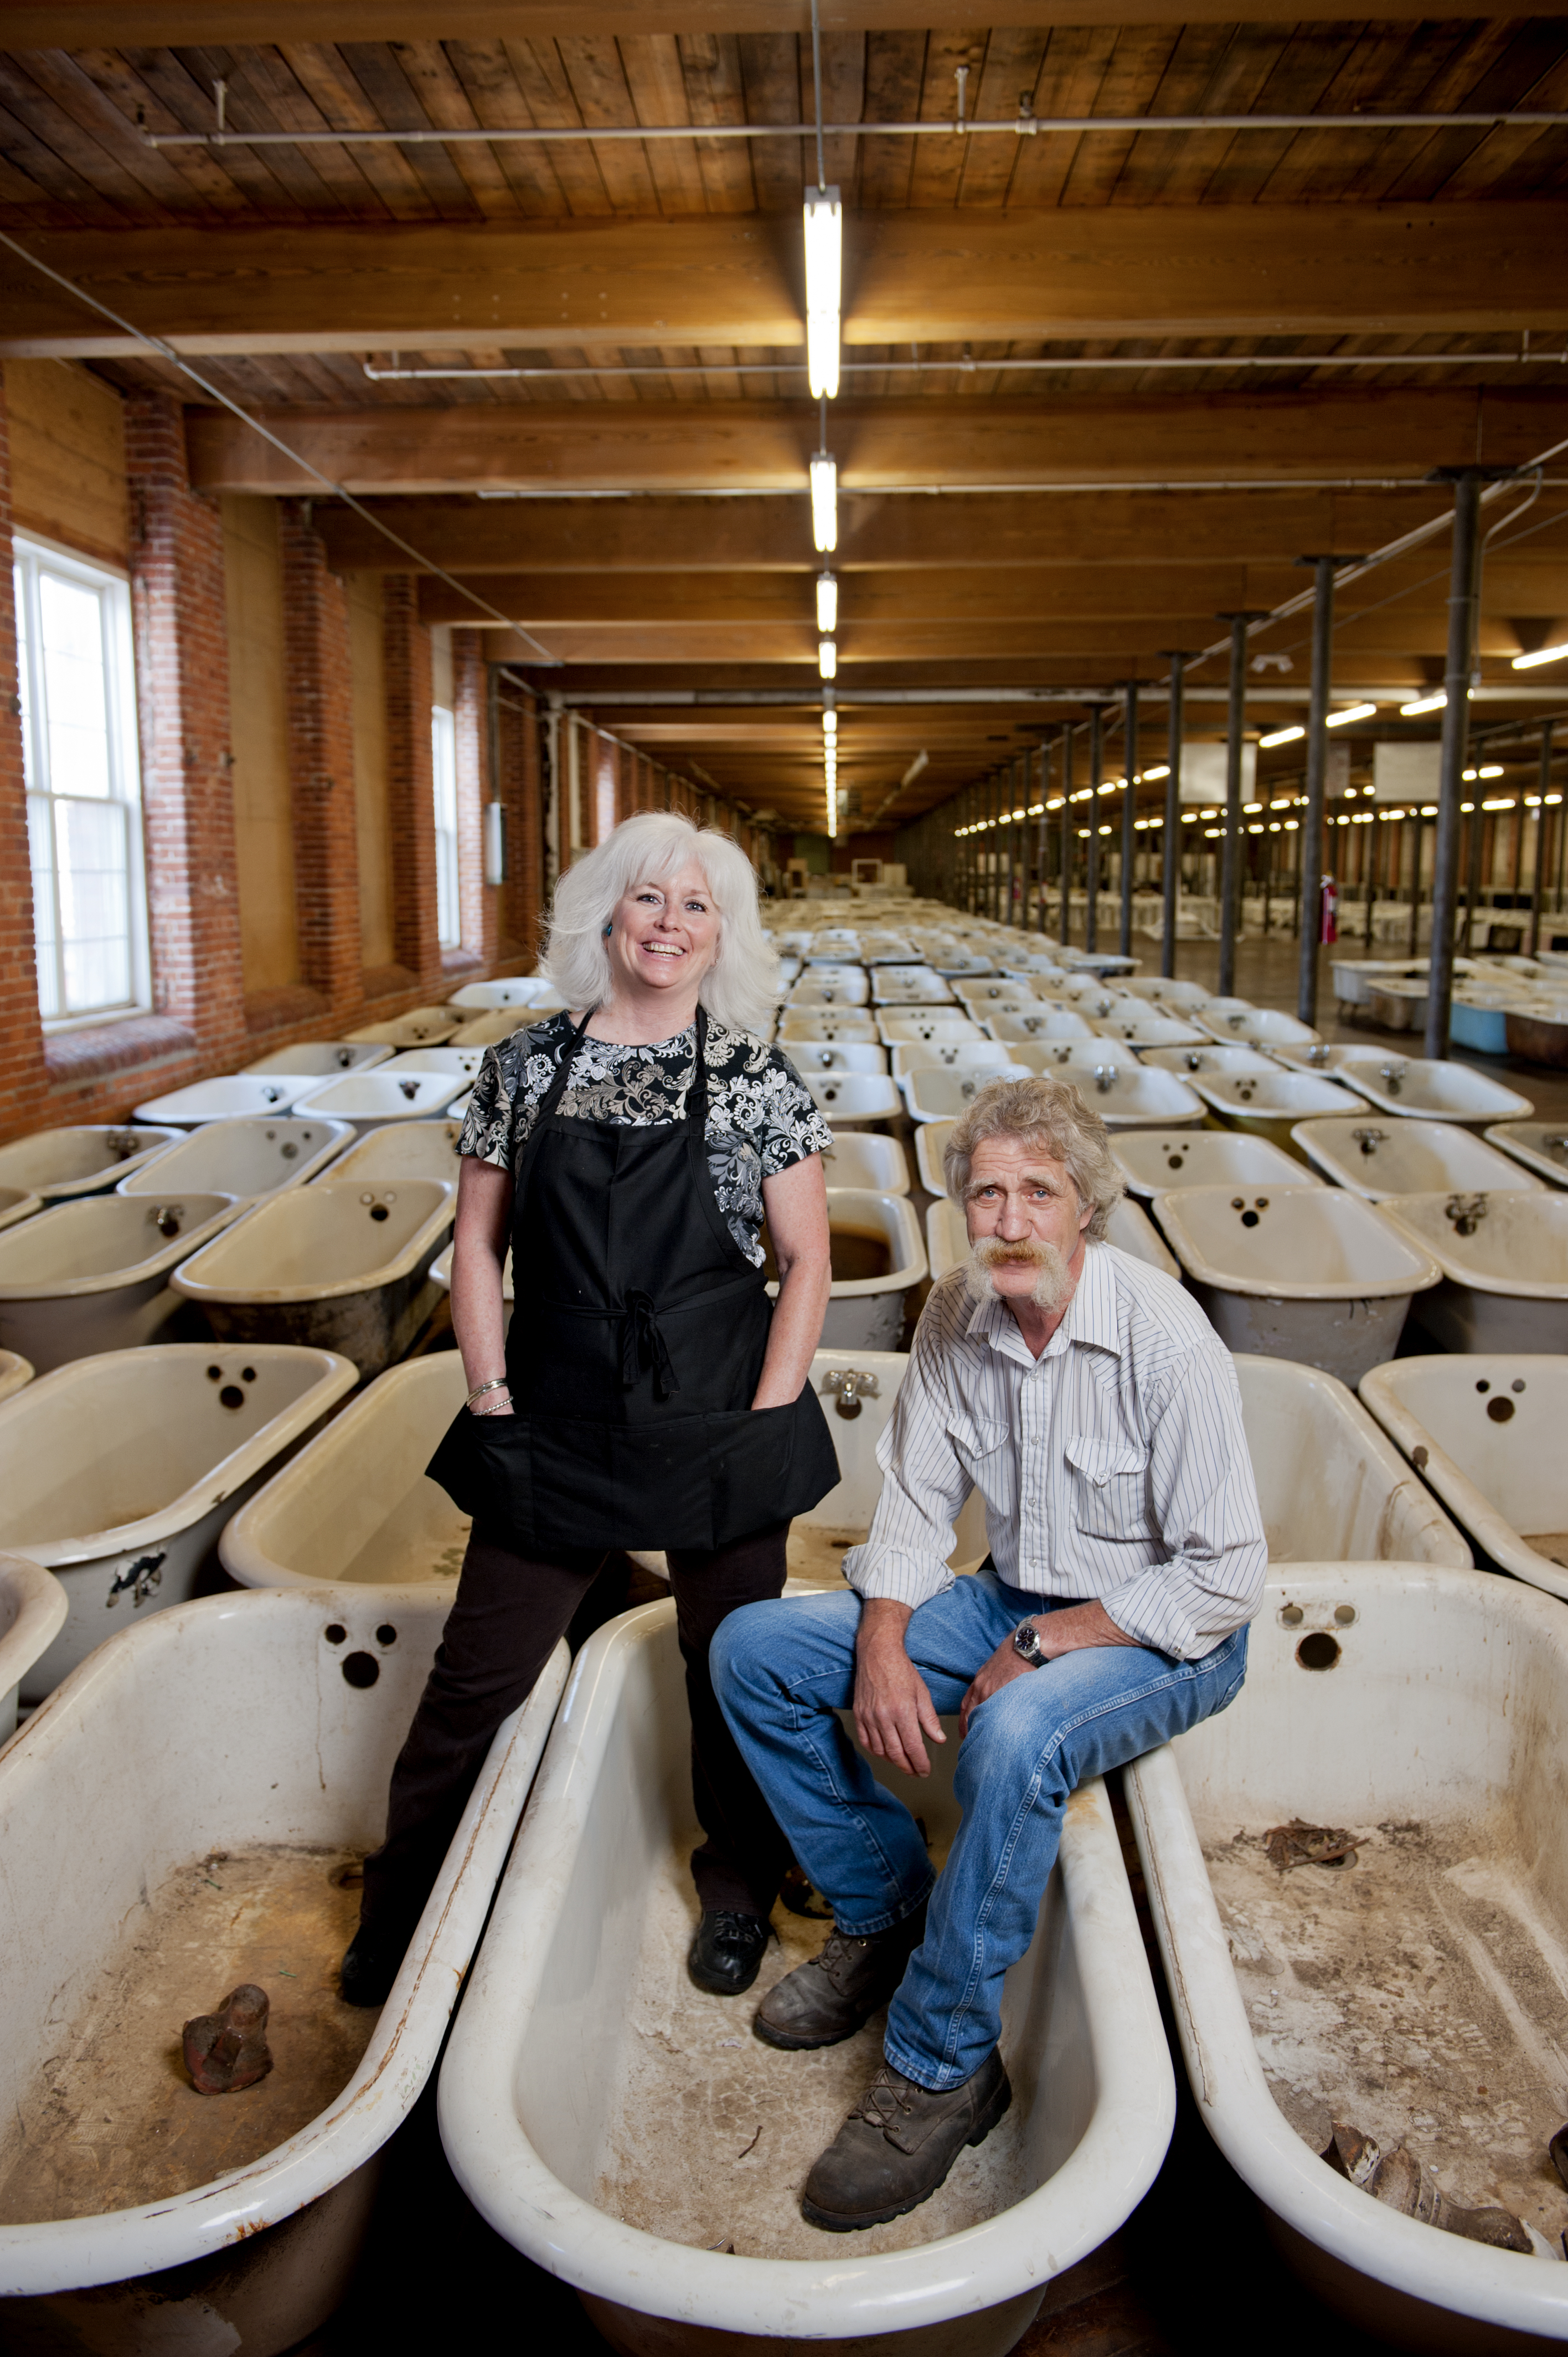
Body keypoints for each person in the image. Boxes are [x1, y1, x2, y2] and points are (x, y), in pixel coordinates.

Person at [712, 1074, 1266, 2233]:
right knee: (753, 1649)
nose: (1008, 1219)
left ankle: (943, 2063)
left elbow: (1223, 1576)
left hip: (1167, 1627)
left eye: (1038, 1192)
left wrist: (1048, 1642)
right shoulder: (958, 1314)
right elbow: (915, 1505)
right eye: (986, 1193)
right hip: (1016, 1595)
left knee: (1015, 1731)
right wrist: (882, 1637)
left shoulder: (1164, 1339)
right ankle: (886, 1908)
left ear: (1086, 1209)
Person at [341, 812, 839, 2008]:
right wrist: (492, 1394)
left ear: (725, 935)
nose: (670, 924)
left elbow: (806, 1260)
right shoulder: (522, 1068)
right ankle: (402, 1902)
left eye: (697, 906)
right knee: (477, 1673)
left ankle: (736, 1889)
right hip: (556, 1416)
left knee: (736, 1668)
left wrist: (768, 1416)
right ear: (605, 916)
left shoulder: (758, 1078)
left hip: (717, 1411)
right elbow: (473, 1245)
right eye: (649, 900)